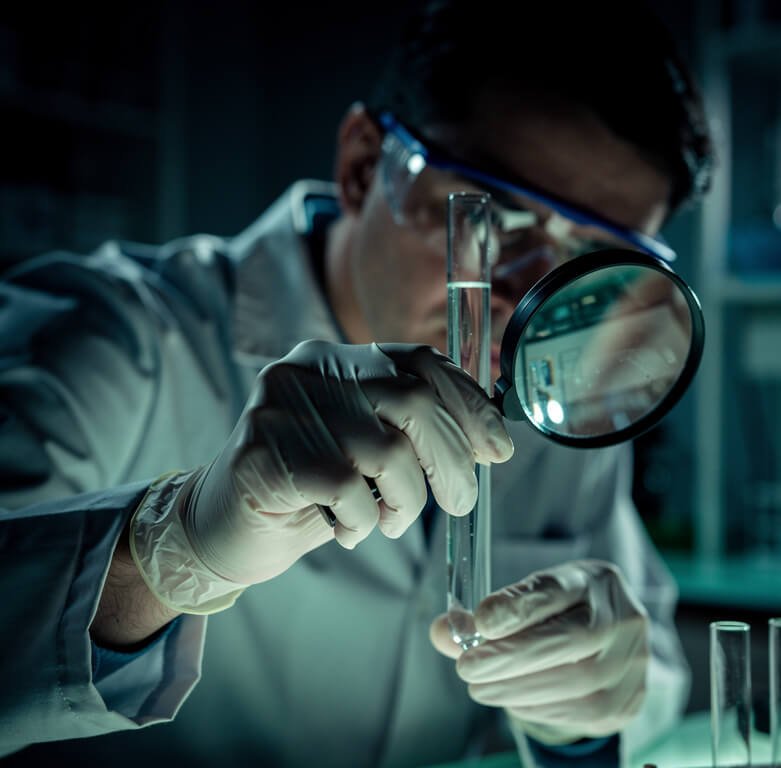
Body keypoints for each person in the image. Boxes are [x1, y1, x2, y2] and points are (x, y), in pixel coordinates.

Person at [0, 0, 713, 765]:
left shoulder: (556, 394)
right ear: (364, 166)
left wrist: (583, 711)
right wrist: (172, 546)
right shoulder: (109, 334)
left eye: (592, 263)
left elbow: (642, 669)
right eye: (497, 220)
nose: (530, 299)